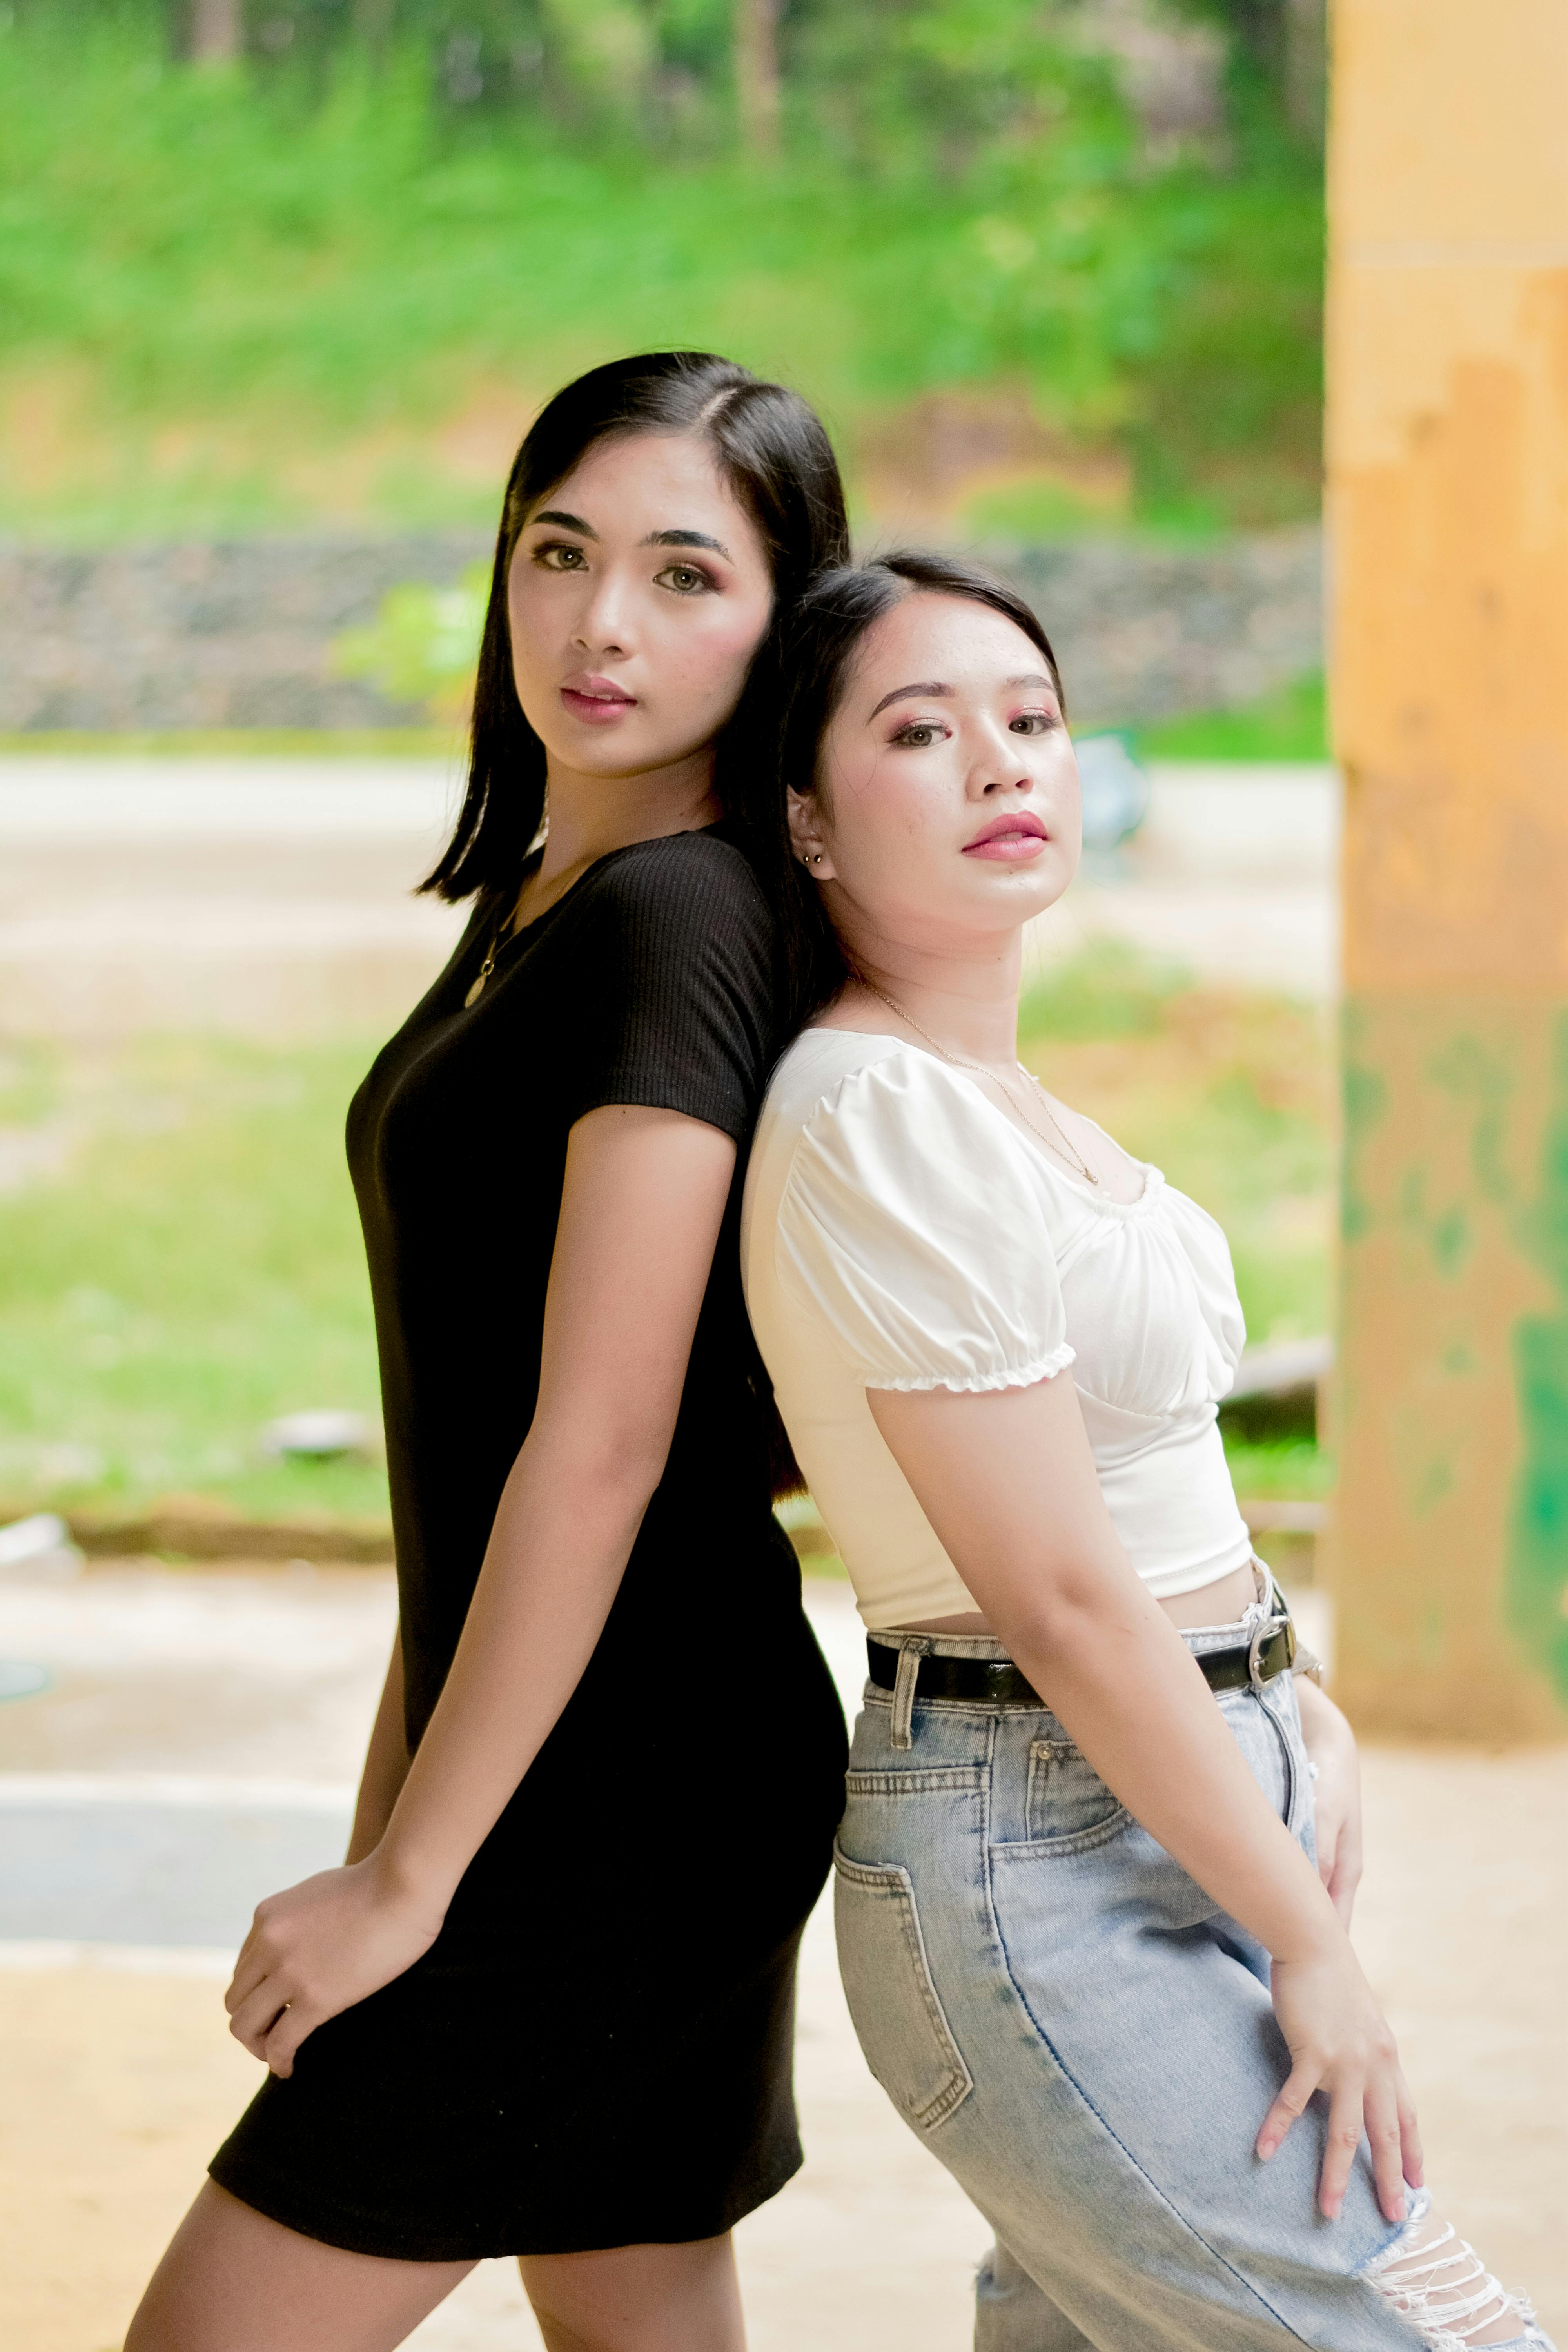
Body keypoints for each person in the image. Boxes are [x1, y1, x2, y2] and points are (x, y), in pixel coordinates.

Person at [738, 552, 1553, 2352]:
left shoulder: (1006, 1107)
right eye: (920, 732)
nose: (1001, 765)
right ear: (804, 820)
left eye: (1029, 721)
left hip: (1170, 1798)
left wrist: (1291, 1689)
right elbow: (1053, 1592)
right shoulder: (879, 1115)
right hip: (1041, 1856)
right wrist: (1315, 1949)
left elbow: (1146, 1468)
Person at [127, 353, 851, 2352]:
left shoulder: (675, 920)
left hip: (626, 1790)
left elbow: (600, 1443)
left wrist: (410, 1882)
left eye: (685, 575)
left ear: (791, 617)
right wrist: (391, 1828)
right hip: (591, 1753)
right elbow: (474, 1445)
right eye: (558, 552)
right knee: (634, 2311)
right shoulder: (552, 901)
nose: (599, 623)